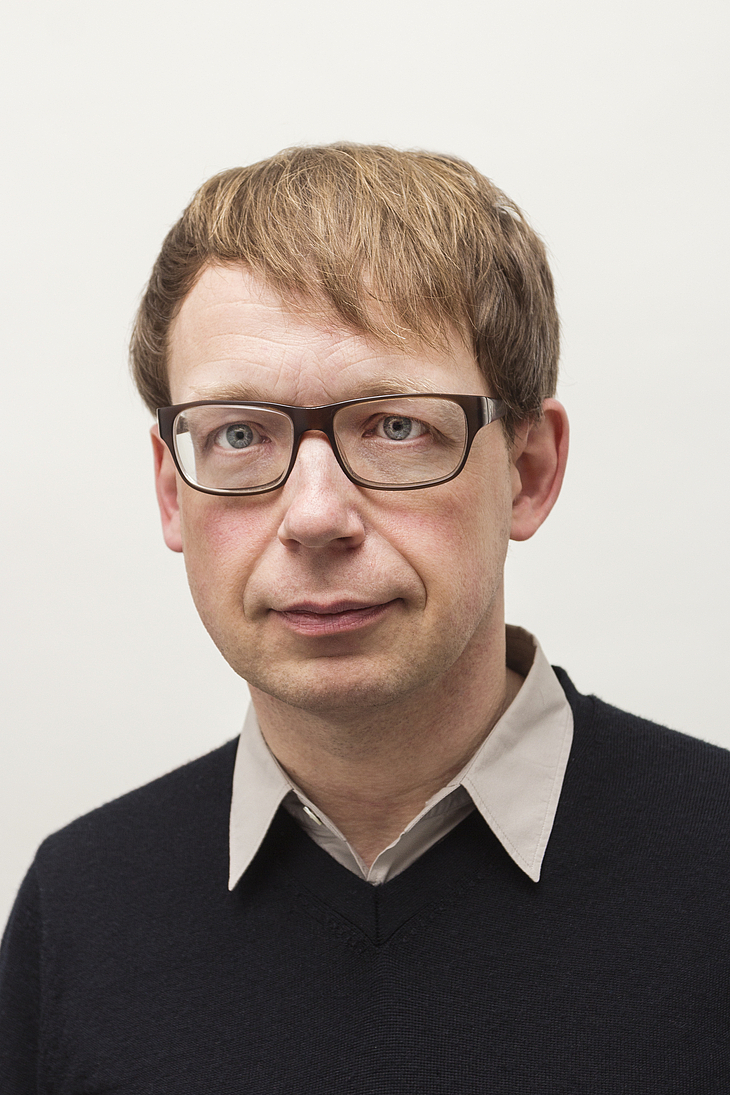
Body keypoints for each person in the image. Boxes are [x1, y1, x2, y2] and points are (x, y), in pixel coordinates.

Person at [1, 144, 729, 1093]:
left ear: (529, 471)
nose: (314, 517)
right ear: (173, 492)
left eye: (396, 427)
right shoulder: (77, 910)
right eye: (237, 433)